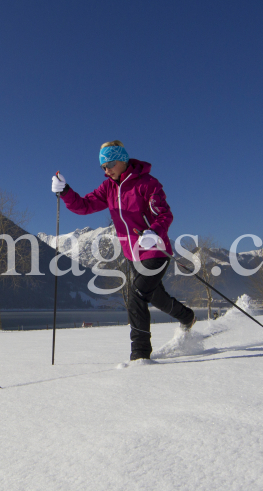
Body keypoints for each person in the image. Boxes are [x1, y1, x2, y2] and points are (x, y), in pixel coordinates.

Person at [51, 141, 195, 361]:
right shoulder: (107, 188)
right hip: (132, 255)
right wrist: (66, 191)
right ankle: (187, 316)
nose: (106, 170)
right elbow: (84, 206)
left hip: (155, 251)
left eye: (109, 164)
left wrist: (154, 231)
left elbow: (164, 214)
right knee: (155, 296)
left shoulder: (147, 183)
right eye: (102, 166)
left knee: (137, 294)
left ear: (123, 160)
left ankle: (140, 354)